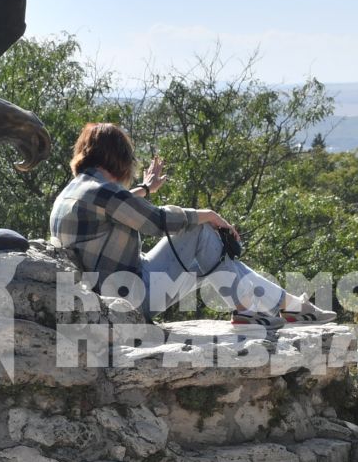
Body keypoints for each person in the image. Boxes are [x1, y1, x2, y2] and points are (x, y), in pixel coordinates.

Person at [48, 123, 334, 325]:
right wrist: (206, 214)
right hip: (130, 300)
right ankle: (264, 309)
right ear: (119, 157)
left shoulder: (76, 190)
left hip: (110, 292)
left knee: (214, 262)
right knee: (198, 230)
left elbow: (116, 207)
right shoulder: (101, 192)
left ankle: (288, 306)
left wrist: (145, 190)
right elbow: (157, 222)